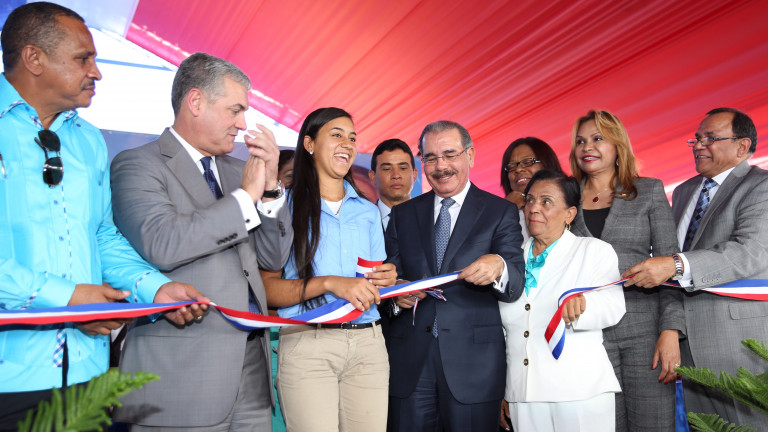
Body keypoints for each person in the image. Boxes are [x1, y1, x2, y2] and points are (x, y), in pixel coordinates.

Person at [0, 3, 206, 429]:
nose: (96, 72)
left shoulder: (88, 141)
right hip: (10, 380)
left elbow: (102, 236)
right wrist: (71, 300)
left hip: (88, 374)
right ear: (34, 58)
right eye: (83, 59)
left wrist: (155, 287)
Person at [110, 52, 293, 430]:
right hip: (183, 370)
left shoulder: (239, 171)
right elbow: (162, 243)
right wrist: (245, 198)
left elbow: (273, 258)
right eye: (235, 110)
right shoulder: (137, 164)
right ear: (195, 102)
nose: (243, 124)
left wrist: (272, 188)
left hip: (252, 365)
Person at [625, 107, 768, 429]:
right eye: (697, 138)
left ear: (742, 146)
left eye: (710, 138)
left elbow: (750, 251)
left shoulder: (761, 185)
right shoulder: (684, 191)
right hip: (686, 342)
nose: (699, 145)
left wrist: (675, 264)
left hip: (738, 341)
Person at [261, 107, 397, 432]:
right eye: (337, 135)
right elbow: (267, 289)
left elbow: (372, 284)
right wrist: (329, 283)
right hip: (307, 343)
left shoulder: (367, 211)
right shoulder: (282, 208)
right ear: (309, 144)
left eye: (352, 138)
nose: (347, 144)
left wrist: (388, 280)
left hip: (368, 344)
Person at [384, 120, 525, 431]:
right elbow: (389, 277)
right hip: (411, 364)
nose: (441, 166)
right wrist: (396, 295)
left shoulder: (500, 212)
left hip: (474, 367)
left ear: (470, 155)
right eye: (431, 158)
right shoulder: (403, 214)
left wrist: (498, 267)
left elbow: (515, 282)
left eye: (449, 154)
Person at [568, 109, 684, 431]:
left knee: (654, 424)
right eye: (580, 141)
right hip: (587, 333)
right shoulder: (565, 196)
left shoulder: (648, 190)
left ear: (618, 145)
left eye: (597, 139)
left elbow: (670, 267)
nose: (587, 147)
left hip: (645, 332)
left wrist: (671, 331)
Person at [500, 169, 626, 431]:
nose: (534, 208)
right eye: (530, 200)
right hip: (524, 393)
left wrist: (584, 305)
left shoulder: (592, 251)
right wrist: (505, 389)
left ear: (569, 214)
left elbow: (614, 306)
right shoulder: (510, 260)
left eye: (546, 201)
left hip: (579, 391)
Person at [500, 137, 564, 241]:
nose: (518, 169)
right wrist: (506, 210)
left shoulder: (569, 201)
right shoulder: (500, 212)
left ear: (547, 163)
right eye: (511, 166)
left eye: (527, 162)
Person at [368, 138, 419, 230]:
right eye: (387, 169)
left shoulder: (431, 219)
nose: (396, 175)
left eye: (403, 168)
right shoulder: (360, 222)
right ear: (373, 176)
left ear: (414, 174)